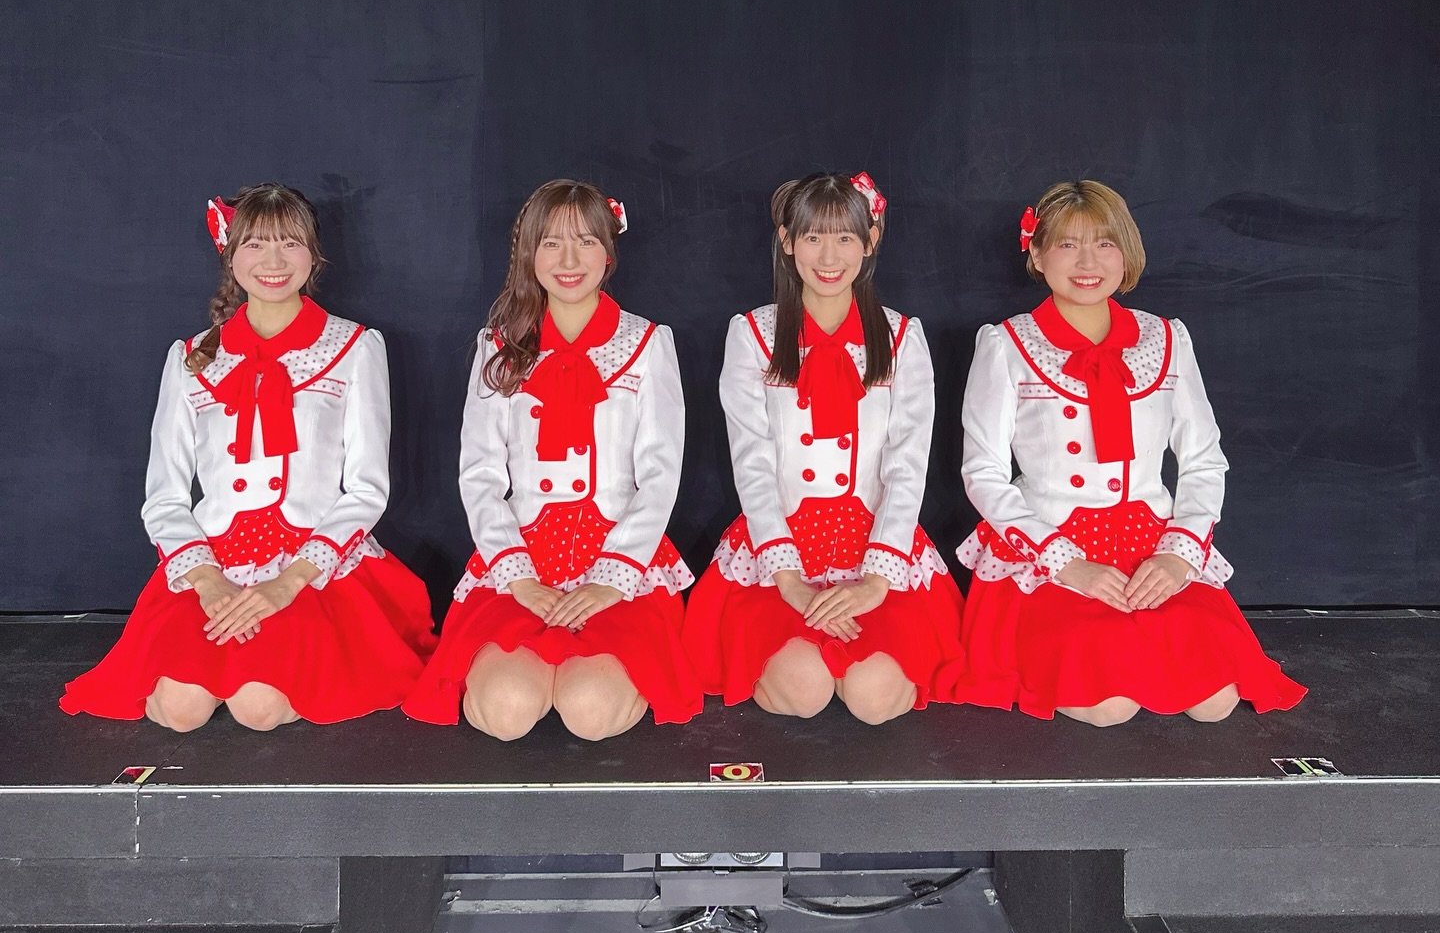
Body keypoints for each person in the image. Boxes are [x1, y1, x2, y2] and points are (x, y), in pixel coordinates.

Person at [61, 184, 435, 729]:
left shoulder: (354, 347)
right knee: (179, 711)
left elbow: (367, 488)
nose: (273, 262)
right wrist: (207, 580)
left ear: (313, 254)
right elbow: (164, 496)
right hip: (212, 561)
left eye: (289, 243)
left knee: (259, 708)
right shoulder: (190, 357)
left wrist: (289, 582)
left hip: (314, 563)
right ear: (230, 255)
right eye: (255, 244)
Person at [955, 179, 1306, 725]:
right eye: (1067, 244)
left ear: (1127, 254)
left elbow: (1204, 459)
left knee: (1216, 701)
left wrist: (1179, 553)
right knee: (1109, 706)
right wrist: (1066, 564)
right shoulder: (1007, 345)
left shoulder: (1167, 338)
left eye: (1105, 243)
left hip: (1150, 546)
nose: (1087, 261)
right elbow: (983, 472)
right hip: (1051, 548)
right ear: (1038, 255)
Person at [404, 180, 700, 739]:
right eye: (551, 243)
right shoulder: (499, 345)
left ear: (608, 253)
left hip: (622, 557)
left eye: (586, 242)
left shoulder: (646, 343)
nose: (569, 260)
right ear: (528, 252)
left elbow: (660, 475)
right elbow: (480, 475)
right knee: (506, 710)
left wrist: (613, 578)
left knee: (591, 711)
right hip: (522, 556)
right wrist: (517, 577)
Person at [682, 171, 964, 724]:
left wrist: (876, 580)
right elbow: (752, 462)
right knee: (803, 690)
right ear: (787, 241)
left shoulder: (902, 337)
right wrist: (788, 579)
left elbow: (908, 464)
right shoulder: (753, 334)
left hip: (877, 545)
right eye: (813, 237)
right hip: (779, 544)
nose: (829, 256)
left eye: (845, 237)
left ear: (870, 241)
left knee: (875, 699)